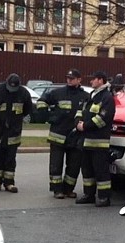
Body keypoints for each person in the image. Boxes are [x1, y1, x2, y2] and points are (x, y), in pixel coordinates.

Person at [36, 69, 90, 199]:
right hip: (57, 136)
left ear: (79, 80)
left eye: (72, 78)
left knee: (74, 166)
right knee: (56, 165)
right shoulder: (57, 93)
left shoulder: (85, 97)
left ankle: (68, 189)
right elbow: (41, 102)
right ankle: (57, 190)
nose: (69, 80)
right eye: (68, 78)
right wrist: (48, 116)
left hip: (75, 137)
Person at [0, 73, 33, 193]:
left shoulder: (23, 93)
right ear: (6, 83)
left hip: (13, 131)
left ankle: (9, 183)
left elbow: (27, 109)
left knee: (10, 158)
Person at [74, 71, 116, 207]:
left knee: (101, 170)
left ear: (101, 80)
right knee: (86, 169)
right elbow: (80, 111)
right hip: (85, 141)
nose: (91, 82)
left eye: (93, 79)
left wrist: (85, 126)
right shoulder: (91, 96)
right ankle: (89, 194)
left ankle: (104, 197)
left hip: (99, 142)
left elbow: (103, 119)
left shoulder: (107, 97)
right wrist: (78, 122)